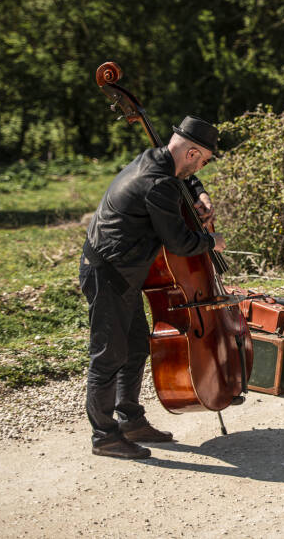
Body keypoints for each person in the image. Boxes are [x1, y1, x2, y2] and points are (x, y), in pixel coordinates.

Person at [79, 116, 227, 460]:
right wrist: (211, 241)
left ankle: (130, 419)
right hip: (109, 273)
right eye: (202, 160)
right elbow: (179, 242)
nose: (200, 167)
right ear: (191, 152)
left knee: (135, 347)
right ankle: (104, 436)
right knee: (108, 355)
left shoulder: (156, 159)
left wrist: (200, 192)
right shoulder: (157, 183)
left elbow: (186, 181)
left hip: (123, 271)